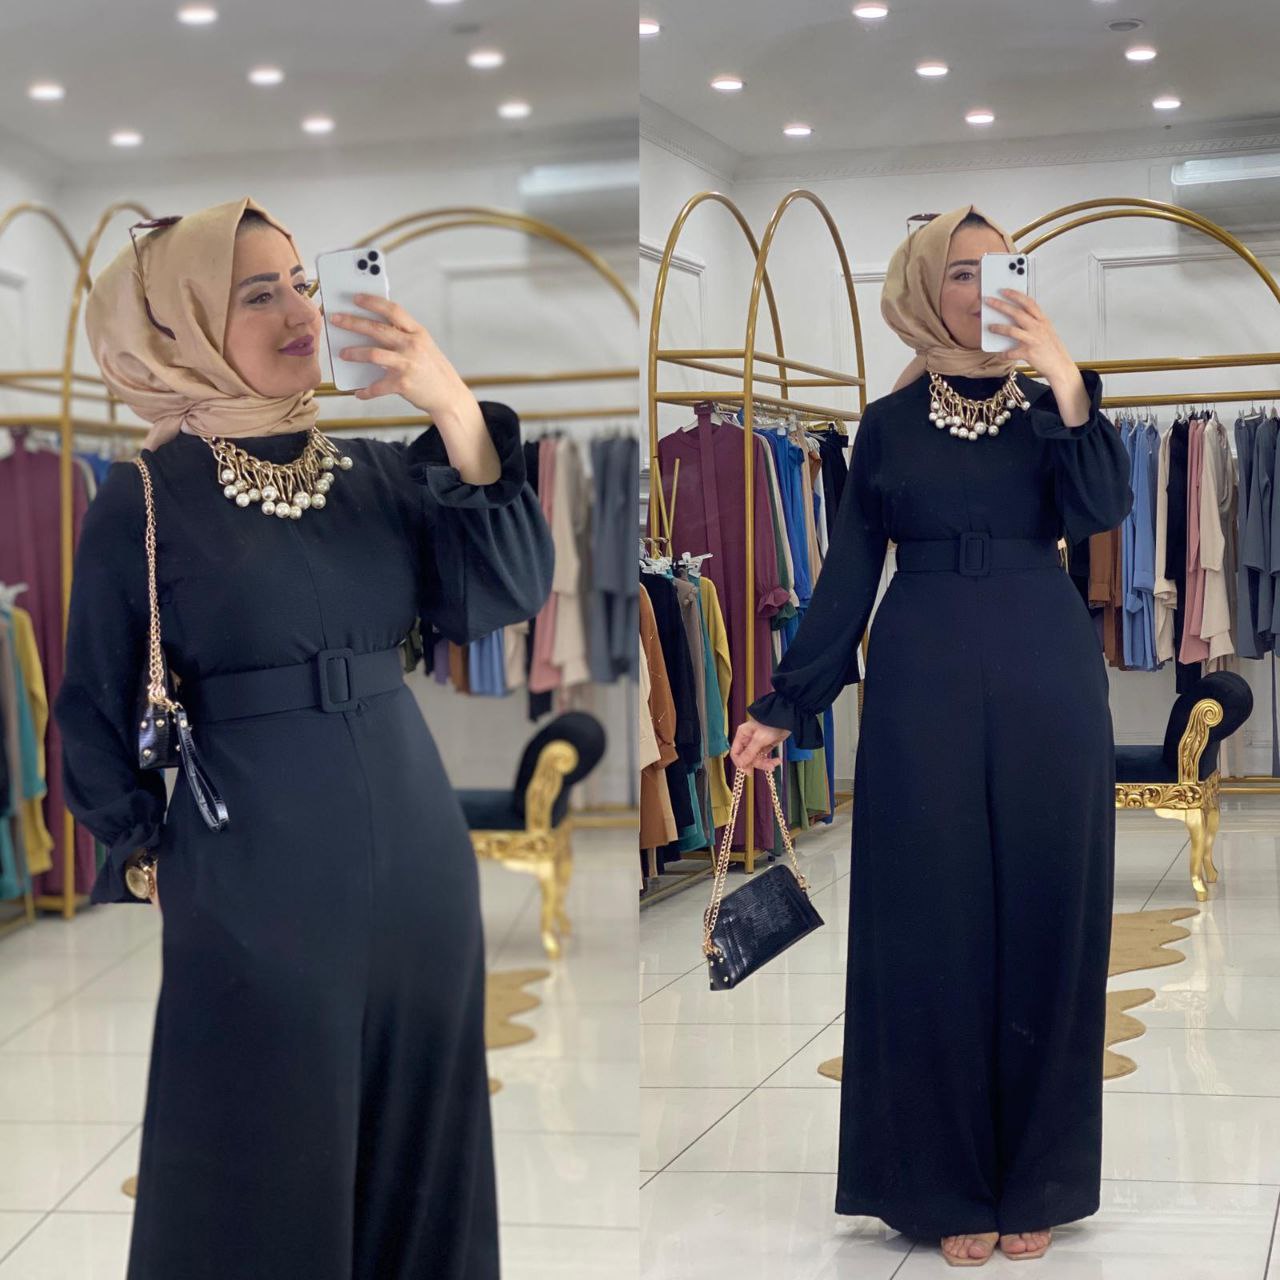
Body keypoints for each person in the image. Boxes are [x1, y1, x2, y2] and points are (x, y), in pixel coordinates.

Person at [52, 196, 555, 1279]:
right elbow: (89, 704)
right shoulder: (143, 498)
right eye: (257, 293)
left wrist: (450, 402)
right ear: (183, 324)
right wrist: (147, 856)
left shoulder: (377, 476)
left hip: (416, 854)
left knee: (420, 1135)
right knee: (262, 1151)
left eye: (302, 283)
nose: (300, 311)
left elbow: (504, 590)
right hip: (253, 867)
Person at [729, 206, 1133, 1267]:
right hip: (923, 678)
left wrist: (1064, 374)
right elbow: (849, 572)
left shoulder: (1055, 409)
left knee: (1049, 910)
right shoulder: (885, 426)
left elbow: (1100, 509)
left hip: (1046, 669)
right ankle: (941, 1180)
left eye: (1001, 268)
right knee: (930, 920)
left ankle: (1039, 1175)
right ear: (920, 288)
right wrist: (784, 702)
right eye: (960, 271)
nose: (983, 288)